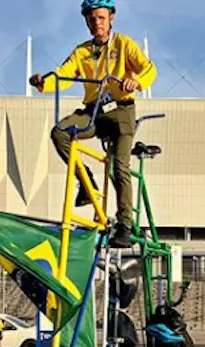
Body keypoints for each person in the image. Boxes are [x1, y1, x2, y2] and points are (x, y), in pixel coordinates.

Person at [29, 0, 157, 248]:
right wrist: (42, 82)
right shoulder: (82, 51)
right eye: (91, 19)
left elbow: (149, 69)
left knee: (120, 167)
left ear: (111, 19)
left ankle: (124, 225)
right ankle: (85, 180)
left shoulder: (124, 44)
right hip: (94, 113)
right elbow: (63, 76)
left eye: (100, 17)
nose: (96, 23)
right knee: (60, 133)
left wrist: (136, 82)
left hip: (120, 111)